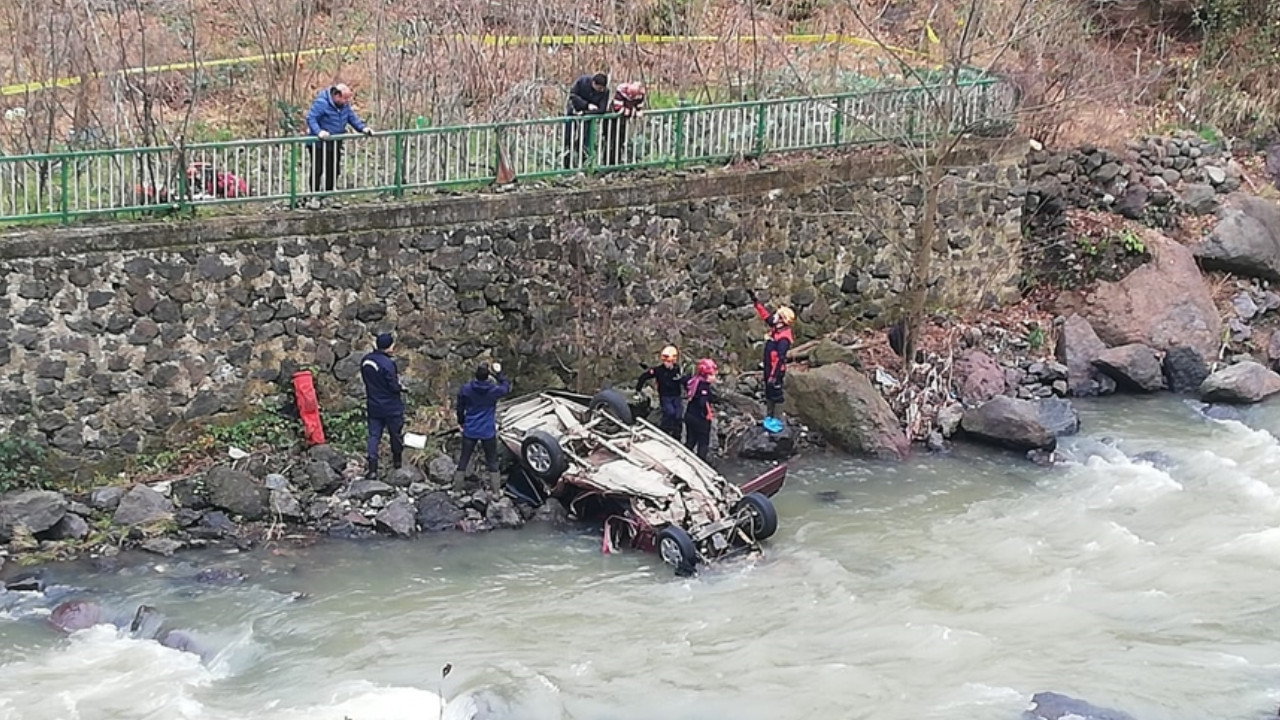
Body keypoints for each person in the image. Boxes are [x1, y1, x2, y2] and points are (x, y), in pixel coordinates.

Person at [304, 83, 373, 206]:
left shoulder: (344, 106)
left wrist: (363, 129)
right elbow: (311, 119)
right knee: (317, 169)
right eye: (344, 98)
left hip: (334, 141)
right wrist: (319, 131)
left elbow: (352, 118)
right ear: (336, 95)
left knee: (334, 169)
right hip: (318, 143)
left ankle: (328, 194)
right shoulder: (322, 103)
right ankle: (314, 195)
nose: (346, 102)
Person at [455, 360, 512, 492]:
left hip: (470, 429)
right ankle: (496, 492)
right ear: (488, 376)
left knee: (464, 459)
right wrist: (499, 373)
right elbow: (506, 387)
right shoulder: (493, 390)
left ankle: (456, 490)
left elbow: (459, 408)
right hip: (487, 431)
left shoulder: (466, 389)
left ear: (475, 375)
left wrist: (462, 423)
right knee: (492, 460)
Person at [748, 289, 795, 432]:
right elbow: (766, 317)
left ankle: (778, 419)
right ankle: (769, 417)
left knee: (777, 395)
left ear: (782, 320)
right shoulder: (776, 328)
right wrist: (756, 302)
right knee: (768, 392)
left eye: (778, 315)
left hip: (776, 370)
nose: (774, 317)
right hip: (769, 367)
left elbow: (780, 359)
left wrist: (774, 376)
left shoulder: (784, 339)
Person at [360, 333, 405, 478]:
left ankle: (372, 469)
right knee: (395, 434)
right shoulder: (388, 364)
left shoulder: (366, 361)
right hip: (391, 406)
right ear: (389, 347)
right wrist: (400, 388)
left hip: (373, 404)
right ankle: (397, 462)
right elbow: (392, 385)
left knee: (374, 436)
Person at [635, 345, 685, 441]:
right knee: (670, 412)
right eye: (666, 361)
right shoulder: (658, 370)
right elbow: (644, 377)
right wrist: (638, 389)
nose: (668, 364)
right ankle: (664, 432)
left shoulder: (677, 369)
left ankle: (677, 436)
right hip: (665, 396)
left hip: (676, 395)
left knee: (678, 415)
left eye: (670, 362)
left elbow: (682, 381)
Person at [562, 73, 609, 169]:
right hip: (573, 112)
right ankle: (567, 164)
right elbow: (573, 96)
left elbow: (602, 110)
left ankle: (585, 164)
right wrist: (586, 105)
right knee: (568, 138)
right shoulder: (582, 82)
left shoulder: (605, 92)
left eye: (602, 89)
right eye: (599, 88)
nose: (600, 91)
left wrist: (585, 112)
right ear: (594, 83)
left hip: (588, 117)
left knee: (585, 140)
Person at [600, 81, 646, 167]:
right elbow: (618, 109)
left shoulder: (640, 94)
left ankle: (616, 162)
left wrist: (633, 112)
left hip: (622, 122)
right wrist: (634, 113)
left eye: (633, 94)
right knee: (609, 141)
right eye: (630, 93)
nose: (631, 96)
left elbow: (639, 108)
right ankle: (607, 163)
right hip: (611, 119)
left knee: (620, 141)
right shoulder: (621, 91)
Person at [683, 358, 719, 462]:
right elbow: (702, 402)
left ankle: (684, 460)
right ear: (705, 375)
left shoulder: (694, 381)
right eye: (712, 375)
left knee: (690, 441)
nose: (714, 377)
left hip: (690, 415)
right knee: (703, 443)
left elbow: (684, 380)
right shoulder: (704, 388)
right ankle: (701, 463)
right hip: (700, 419)